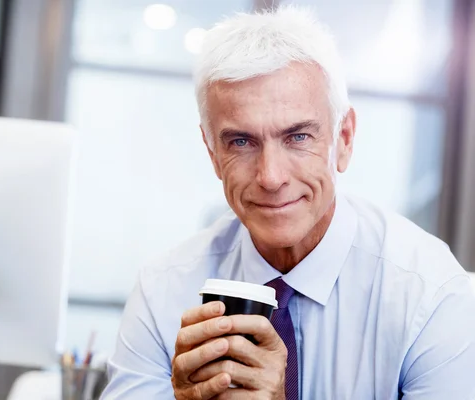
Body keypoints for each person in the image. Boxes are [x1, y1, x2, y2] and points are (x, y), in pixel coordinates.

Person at [100, 6, 475, 400]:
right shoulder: (163, 292)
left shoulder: (431, 296)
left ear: (344, 139)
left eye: (297, 137)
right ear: (212, 154)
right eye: (241, 142)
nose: (271, 177)